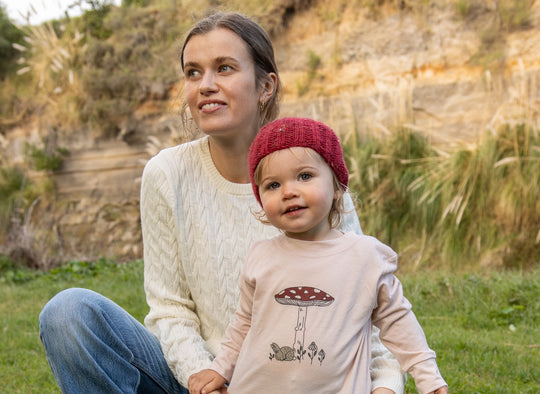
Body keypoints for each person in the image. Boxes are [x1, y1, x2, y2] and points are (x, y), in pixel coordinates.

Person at [39, 12, 406, 393]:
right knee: (68, 313)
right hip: (196, 380)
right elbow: (171, 309)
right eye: (193, 72)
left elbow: (370, 310)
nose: (206, 85)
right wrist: (204, 380)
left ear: (265, 86)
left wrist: (386, 386)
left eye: (224, 68)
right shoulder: (166, 173)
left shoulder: (312, 175)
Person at [188, 117, 449, 394]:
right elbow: (243, 323)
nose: (289, 192)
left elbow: (398, 322)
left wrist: (428, 377)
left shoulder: (365, 257)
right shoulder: (261, 256)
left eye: (304, 176)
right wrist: (220, 368)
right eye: (273, 185)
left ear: (337, 187)